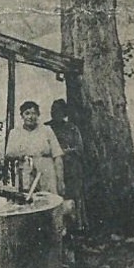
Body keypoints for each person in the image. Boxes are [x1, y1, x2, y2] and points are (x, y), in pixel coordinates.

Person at [5, 101, 64, 196]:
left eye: (34, 113)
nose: (30, 117)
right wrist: (22, 155)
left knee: (48, 200)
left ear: (38, 115)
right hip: (25, 172)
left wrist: (60, 181)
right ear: (22, 116)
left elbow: (57, 156)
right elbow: (9, 154)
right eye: (27, 113)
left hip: (46, 173)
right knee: (26, 200)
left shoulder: (47, 130)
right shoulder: (15, 132)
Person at [47, 99, 87, 233]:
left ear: (64, 113)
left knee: (72, 197)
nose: (55, 113)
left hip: (71, 168)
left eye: (58, 111)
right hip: (53, 167)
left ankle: (75, 229)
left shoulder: (72, 128)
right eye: (53, 110)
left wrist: (66, 151)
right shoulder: (47, 128)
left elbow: (79, 148)